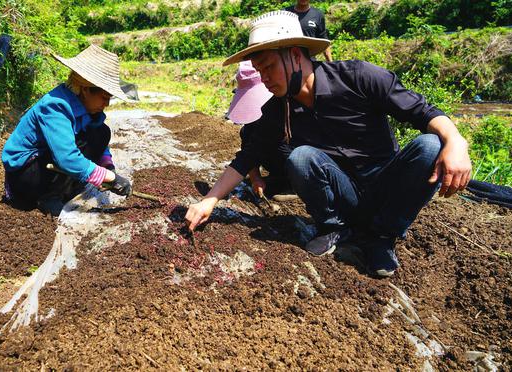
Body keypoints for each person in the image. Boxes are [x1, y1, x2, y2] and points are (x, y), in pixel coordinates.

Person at [186, 11, 472, 277]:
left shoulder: (359, 77)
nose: (265, 79)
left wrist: (456, 142)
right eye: (260, 71)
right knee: (301, 158)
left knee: (431, 146)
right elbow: (248, 156)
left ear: (295, 56)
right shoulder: (279, 108)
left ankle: (381, 237)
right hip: (343, 194)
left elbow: (423, 111)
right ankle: (335, 228)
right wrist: (209, 200)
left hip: (384, 188)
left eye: (269, 67)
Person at [1, 45, 132, 215]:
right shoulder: (55, 106)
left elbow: (99, 143)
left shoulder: (86, 108)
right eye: (104, 97)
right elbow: (66, 157)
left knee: (101, 133)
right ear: (85, 89)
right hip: (26, 176)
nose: (106, 104)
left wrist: (108, 167)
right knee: (77, 148)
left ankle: (64, 188)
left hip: (48, 167)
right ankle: (47, 196)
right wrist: (111, 179)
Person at [227, 60, 293, 198]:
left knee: (285, 148)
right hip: (278, 167)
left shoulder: (289, 107)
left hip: (298, 161)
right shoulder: (252, 124)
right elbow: (248, 152)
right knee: (248, 134)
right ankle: (280, 178)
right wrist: (255, 178)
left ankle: (294, 185)